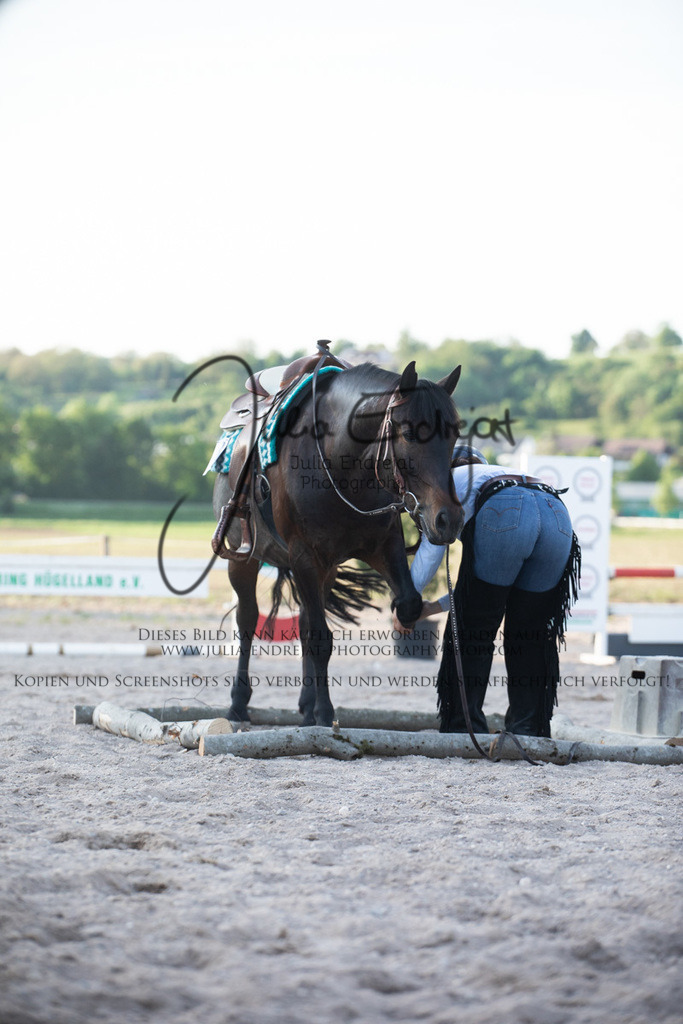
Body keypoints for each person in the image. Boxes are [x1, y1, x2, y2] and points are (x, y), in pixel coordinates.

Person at [395, 445, 580, 737]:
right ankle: (529, 729)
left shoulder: (448, 480)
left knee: (473, 629)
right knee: (532, 633)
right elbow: (478, 591)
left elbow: (432, 550)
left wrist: (406, 603)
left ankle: (462, 727)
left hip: (505, 510)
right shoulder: (493, 473)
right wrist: (431, 608)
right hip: (557, 513)